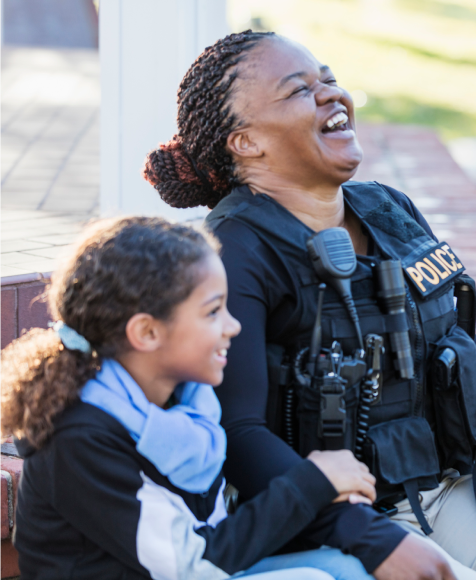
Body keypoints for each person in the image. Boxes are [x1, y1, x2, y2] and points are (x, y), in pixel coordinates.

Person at [142, 31, 476, 580]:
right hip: (330, 528)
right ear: (246, 142)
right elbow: (238, 433)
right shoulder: (233, 251)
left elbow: (460, 347)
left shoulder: (389, 209)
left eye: (330, 80)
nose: (331, 96)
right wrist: (371, 539)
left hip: (455, 498)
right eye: (299, 90)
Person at [0, 216, 378, 580]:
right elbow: (193, 565)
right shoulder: (79, 436)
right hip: (190, 568)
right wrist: (312, 482)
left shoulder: (185, 400)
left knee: (347, 569)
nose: (234, 326)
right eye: (213, 312)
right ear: (147, 332)